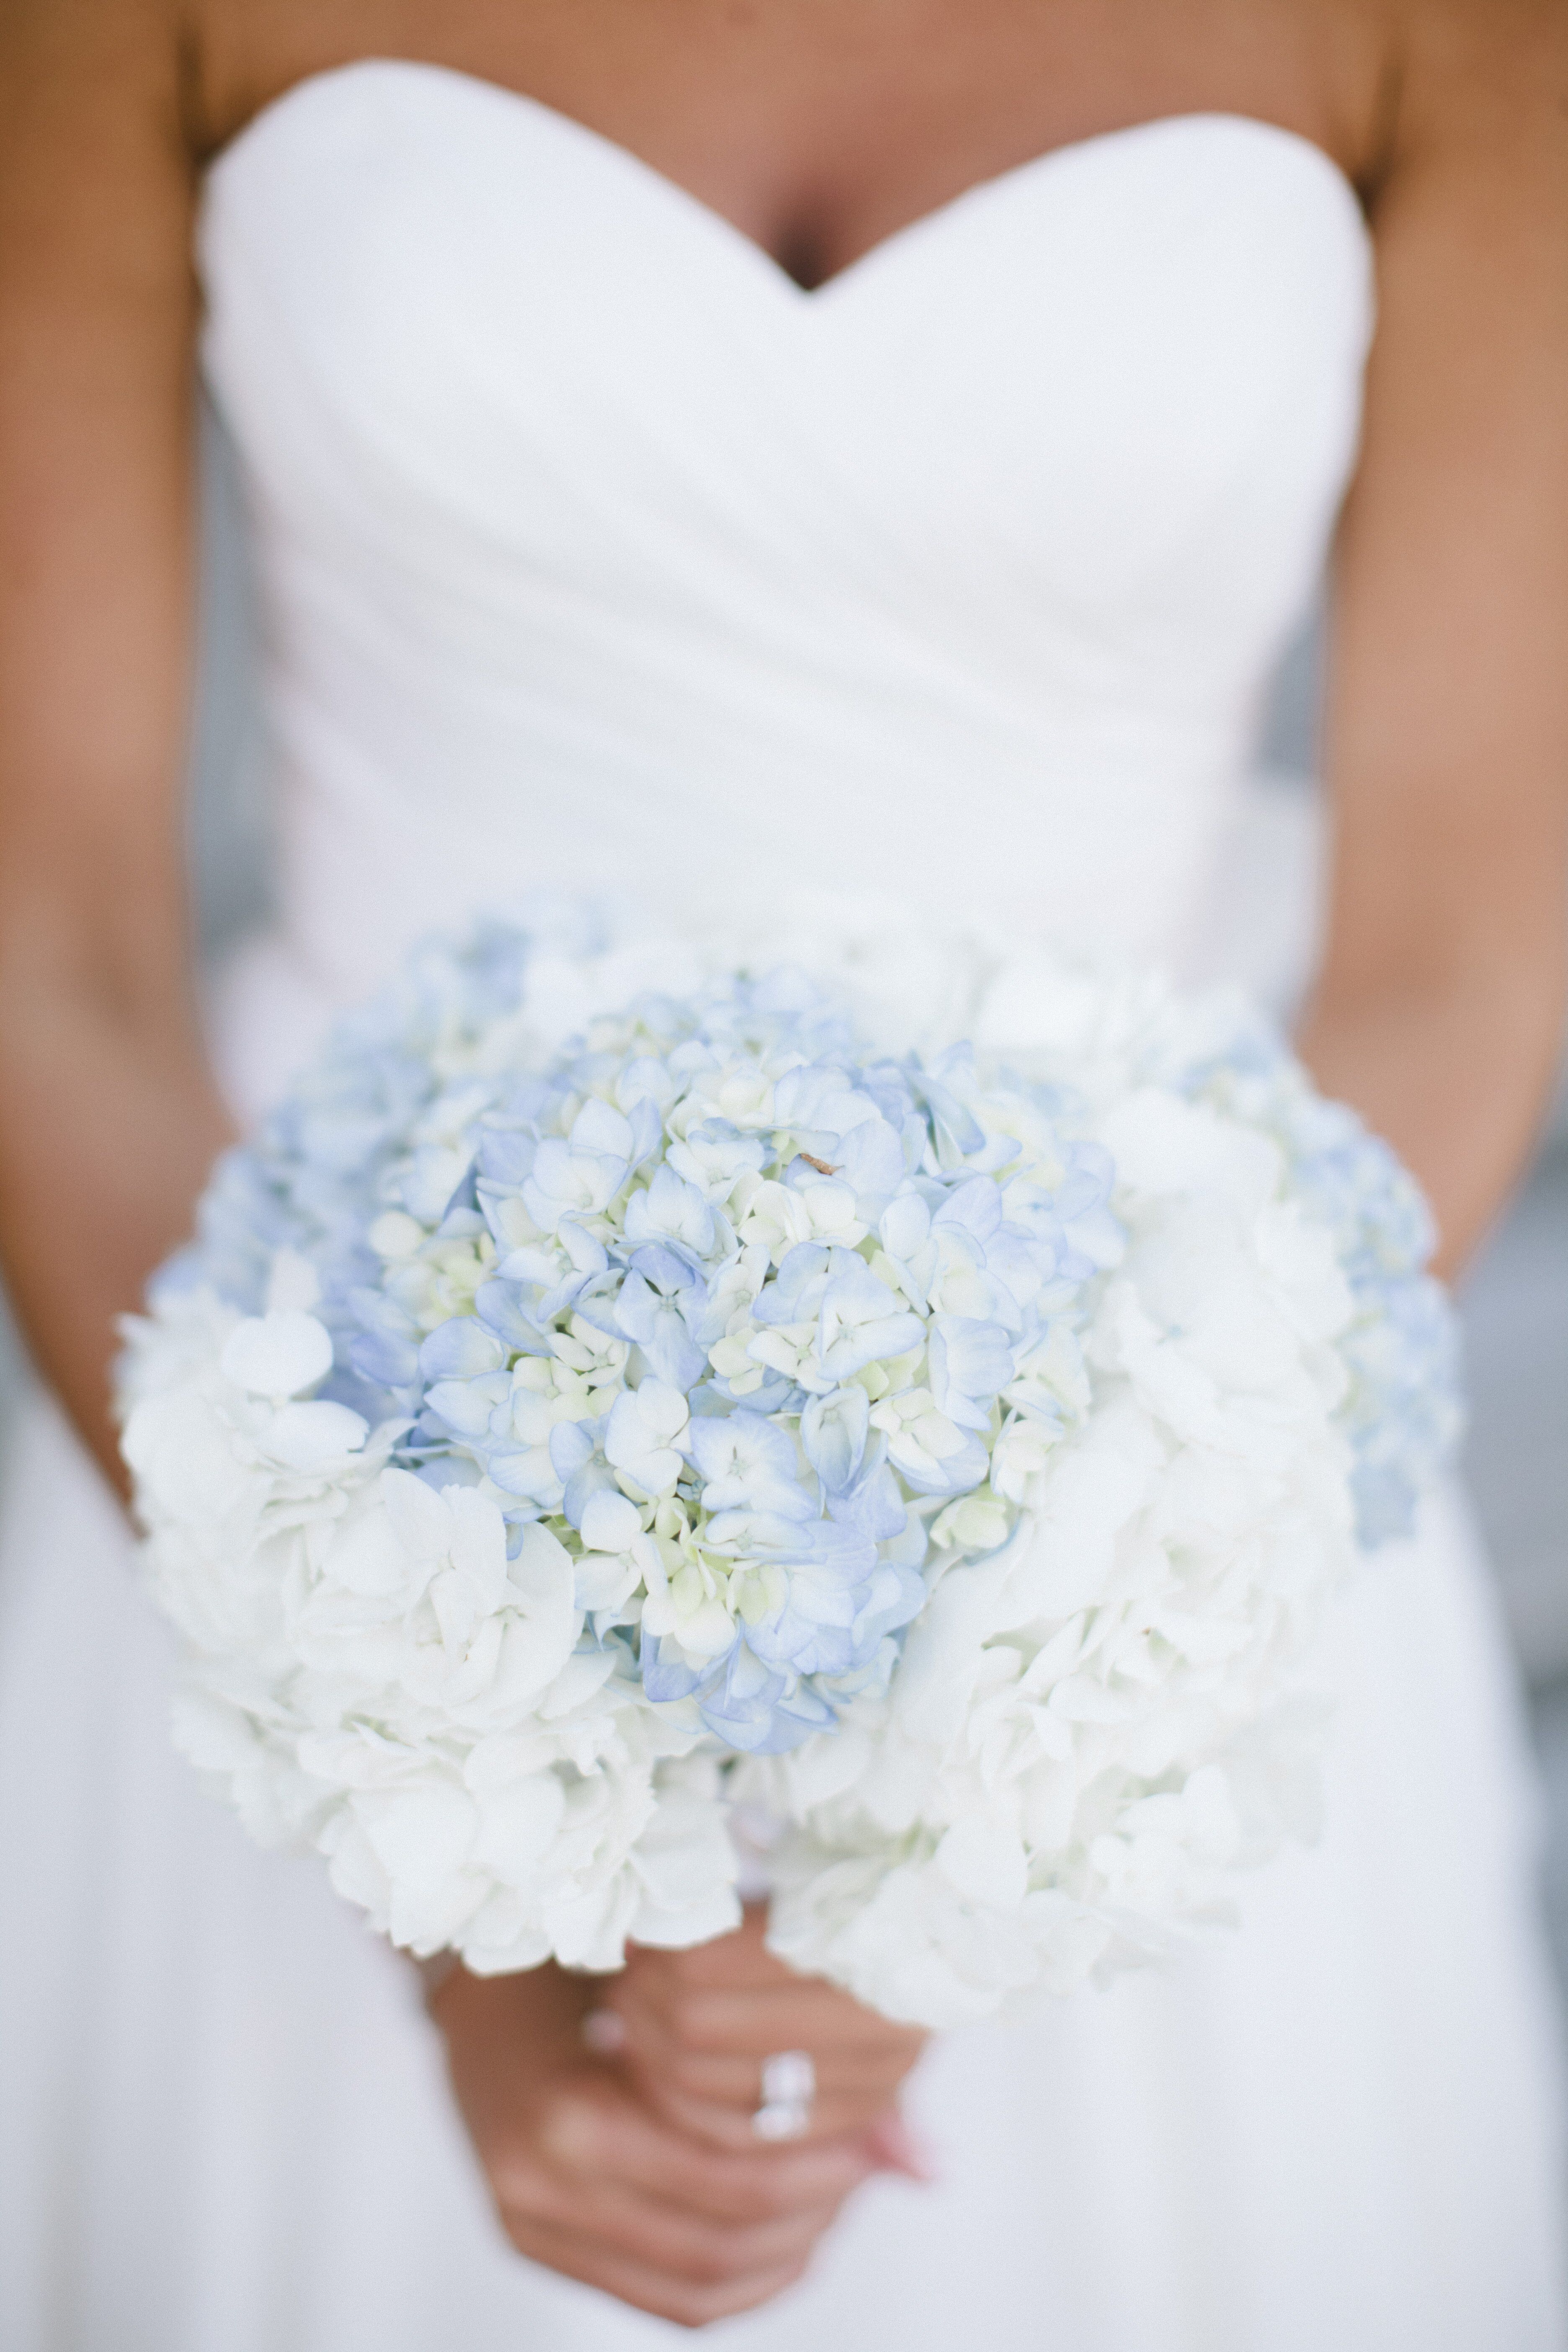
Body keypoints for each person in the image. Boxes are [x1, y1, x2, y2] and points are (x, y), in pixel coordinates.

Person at [1, 4, 1565, 2345]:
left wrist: (996, 1806)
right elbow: (53, 943)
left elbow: (1455, 963)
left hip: (1153, 1537)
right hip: (316, 1451)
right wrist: (460, 1860)